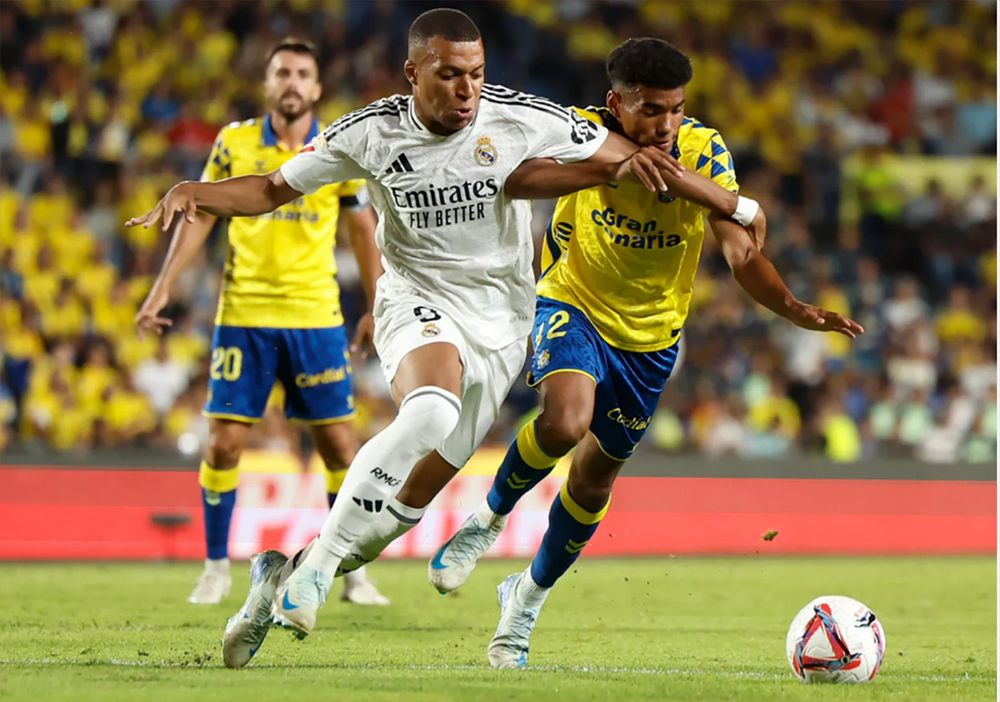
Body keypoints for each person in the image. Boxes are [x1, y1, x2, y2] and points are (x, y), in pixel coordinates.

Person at [127, 10, 752, 667]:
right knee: (430, 411)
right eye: (450, 74)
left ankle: (276, 582)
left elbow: (635, 158)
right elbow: (268, 188)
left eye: (476, 74)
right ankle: (320, 569)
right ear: (413, 72)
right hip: (416, 300)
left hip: (501, 322)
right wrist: (195, 190)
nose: (467, 89)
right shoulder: (368, 133)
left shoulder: (519, 116)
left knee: (391, 522)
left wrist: (737, 205)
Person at [323, 38, 864, 669]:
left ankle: (525, 598)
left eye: (676, 110)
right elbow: (513, 177)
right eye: (651, 110)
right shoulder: (577, 131)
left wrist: (793, 306)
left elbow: (740, 252)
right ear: (616, 103)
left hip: (652, 338)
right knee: (564, 420)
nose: (666, 125)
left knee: (592, 479)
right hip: (571, 300)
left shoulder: (705, 150)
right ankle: (489, 518)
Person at [132, 38, 389, 610]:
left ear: (316, 88)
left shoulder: (336, 146)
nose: (292, 82)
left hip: (314, 316)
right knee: (223, 445)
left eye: (302, 73)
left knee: (339, 446)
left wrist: (375, 304)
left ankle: (351, 573)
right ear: (267, 84)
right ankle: (215, 568)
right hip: (243, 313)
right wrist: (164, 285)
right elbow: (201, 212)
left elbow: (360, 228)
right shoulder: (234, 142)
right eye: (282, 73)